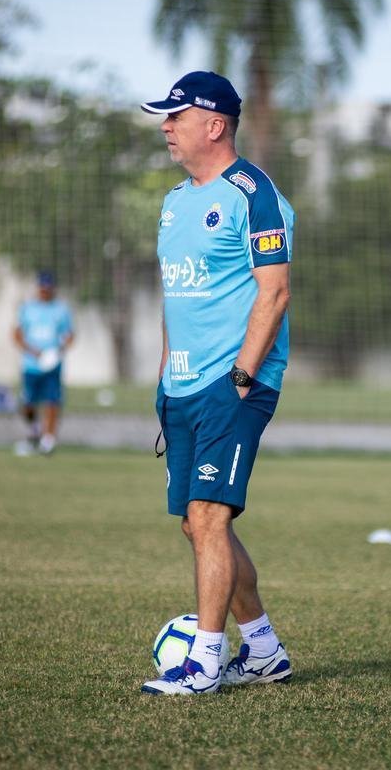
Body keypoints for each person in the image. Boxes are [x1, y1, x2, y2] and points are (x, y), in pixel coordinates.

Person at [138, 71, 294, 695]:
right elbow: (175, 297)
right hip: (181, 386)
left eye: (175, 116)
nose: (165, 127)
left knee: (208, 515)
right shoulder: (175, 202)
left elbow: (275, 291)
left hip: (235, 383)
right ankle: (262, 649)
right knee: (198, 524)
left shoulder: (254, 194)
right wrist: (165, 375)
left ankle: (203, 663)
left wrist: (242, 375)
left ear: (215, 124)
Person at [13, 270, 74, 456]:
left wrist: (58, 352)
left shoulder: (61, 309)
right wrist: (32, 351)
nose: (45, 291)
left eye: (48, 288)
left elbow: (70, 335)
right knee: (28, 403)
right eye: (42, 288)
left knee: (52, 402)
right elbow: (17, 334)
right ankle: (34, 432)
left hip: (52, 366)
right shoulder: (27, 308)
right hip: (31, 365)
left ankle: (48, 440)